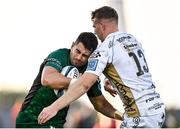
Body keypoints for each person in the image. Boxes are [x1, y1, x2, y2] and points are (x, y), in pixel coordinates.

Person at [38, 6, 166, 128]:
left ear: (101, 26)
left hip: (140, 114)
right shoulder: (132, 40)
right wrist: (109, 79)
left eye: (94, 27)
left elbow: (84, 85)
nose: (95, 32)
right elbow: (127, 68)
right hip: (157, 108)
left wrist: (53, 107)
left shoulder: (104, 50)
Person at [16, 32, 122, 128]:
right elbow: (47, 79)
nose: (79, 57)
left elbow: (100, 104)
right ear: (72, 46)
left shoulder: (89, 72)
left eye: (85, 55)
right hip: (30, 121)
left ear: (91, 56)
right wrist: (76, 82)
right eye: (77, 51)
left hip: (57, 124)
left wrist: (123, 117)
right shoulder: (60, 55)